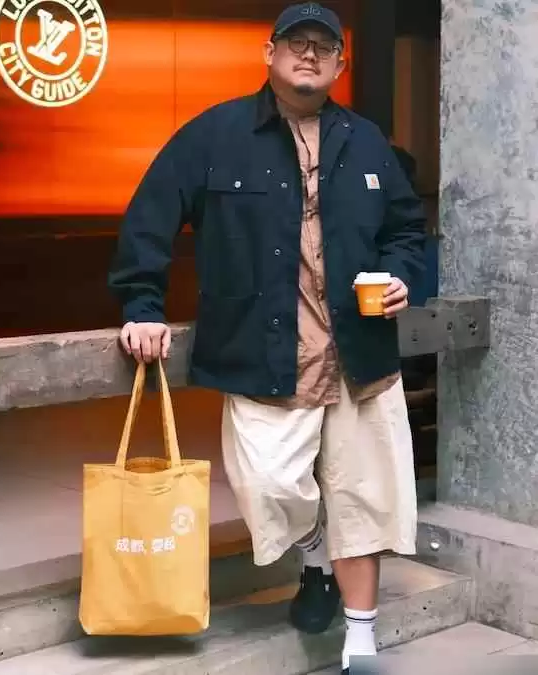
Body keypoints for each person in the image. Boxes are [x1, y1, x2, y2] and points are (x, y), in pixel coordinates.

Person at [108, 3, 426, 672]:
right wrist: (142, 303)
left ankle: (361, 644)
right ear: (269, 53)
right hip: (264, 353)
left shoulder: (366, 141)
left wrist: (401, 274)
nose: (309, 53)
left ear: (340, 63)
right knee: (270, 487)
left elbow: (405, 229)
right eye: (295, 42)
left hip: (359, 355)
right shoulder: (214, 134)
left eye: (323, 46)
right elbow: (149, 218)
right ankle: (316, 559)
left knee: (363, 498)